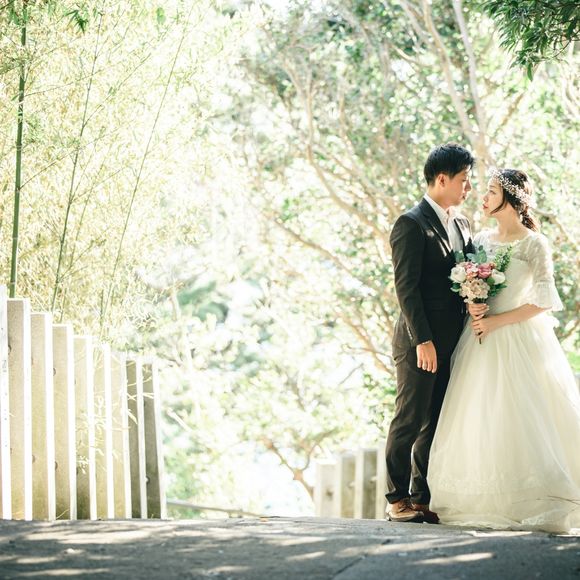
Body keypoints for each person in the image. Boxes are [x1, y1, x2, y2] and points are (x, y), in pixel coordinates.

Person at [428, 168, 580, 533]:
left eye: (491, 191)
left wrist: (497, 321)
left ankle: (536, 499)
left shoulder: (534, 244)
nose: (483, 197)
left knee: (524, 416)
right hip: (479, 339)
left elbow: (544, 300)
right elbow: (470, 285)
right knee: (481, 416)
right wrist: (474, 303)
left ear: (511, 199)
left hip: (519, 339)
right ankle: (483, 500)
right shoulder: (481, 239)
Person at [385, 143, 476, 523]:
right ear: (442, 179)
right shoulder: (411, 223)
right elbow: (406, 288)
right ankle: (396, 499)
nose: (468, 188)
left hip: (453, 341)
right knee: (409, 419)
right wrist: (422, 340)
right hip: (418, 342)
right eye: (464, 180)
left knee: (435, 421)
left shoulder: (461, 224)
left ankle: (421, 498)